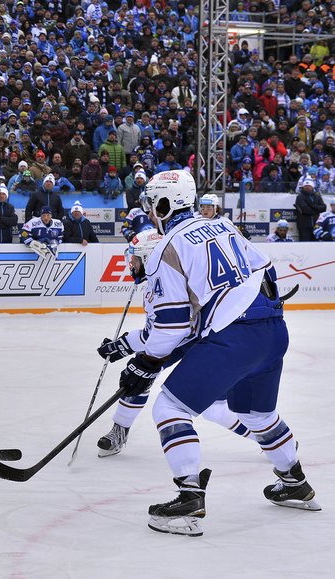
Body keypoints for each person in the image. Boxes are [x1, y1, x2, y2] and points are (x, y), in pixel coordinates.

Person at [117, 169, 319, 537]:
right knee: (257, 413)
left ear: (164, 203)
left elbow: (172, 323)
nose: (149, 210)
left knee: (169, 407)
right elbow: (265, 267)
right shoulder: (223, 225)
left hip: (234, 337)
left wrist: (146, 363)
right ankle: (294, 482)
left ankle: (188, 497)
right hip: (272, 328)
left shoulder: (167, 246)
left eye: (151, 202)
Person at [95, 231, 256, 458]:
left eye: (135, 259)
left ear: (151, 259)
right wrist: (124, 346)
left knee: (214, 409)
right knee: (138, 375)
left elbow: (159, 333)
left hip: (208, 340)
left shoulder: (166, 283)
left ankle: (267, 437)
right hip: (185, 336)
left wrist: (122, 345)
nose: (131, 264)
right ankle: (119, 430)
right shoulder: (161, 278)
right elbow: (159, 331)